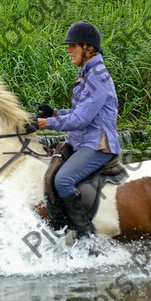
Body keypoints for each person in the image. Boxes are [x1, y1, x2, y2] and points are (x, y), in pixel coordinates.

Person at [37, 20, 121, 240]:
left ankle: (84, 235)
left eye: (73, 46)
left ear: (88, 48)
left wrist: (48, 124)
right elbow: (80, 111)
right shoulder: (88, 73)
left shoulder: (98, 76)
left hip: (97, 144)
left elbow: (82, 119)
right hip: (83, 141)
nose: (68, 50)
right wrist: (55, 113)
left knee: (62, 180)